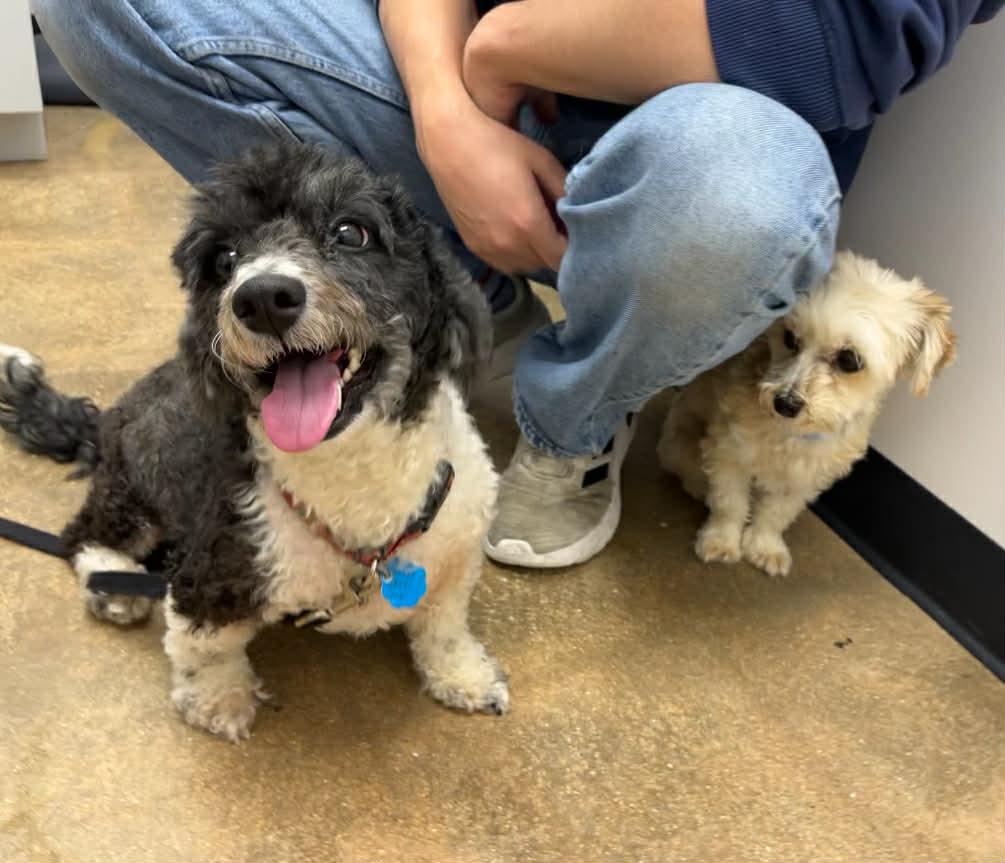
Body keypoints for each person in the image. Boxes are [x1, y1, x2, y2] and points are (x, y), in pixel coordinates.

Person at [31, 0, 1002, 568]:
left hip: (702, 129)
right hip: (454, 74)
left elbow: (851, 34)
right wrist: (444, 115)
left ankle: (569, 428)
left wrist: (507, 48)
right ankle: (466, 312)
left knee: (738, 196)